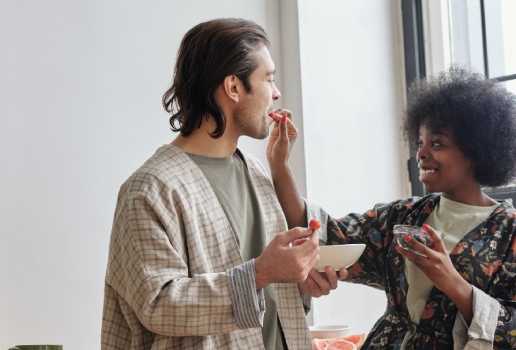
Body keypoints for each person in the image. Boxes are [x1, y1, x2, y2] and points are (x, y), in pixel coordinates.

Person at [101, 18, 344, 350]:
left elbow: (270, 297)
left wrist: (302, 280)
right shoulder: (150, 189)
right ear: (233, 87)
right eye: (268, 79)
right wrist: (260, 273)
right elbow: (158, 304)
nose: (276, 93)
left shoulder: (257, 173)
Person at [268, 66, 516, 349]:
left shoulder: (515, 232)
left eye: (436, 143)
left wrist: (454, 283)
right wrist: (280, 166)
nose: (421, 153)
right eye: (420, 142)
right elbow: (325, 235)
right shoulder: (404, 216)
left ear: (477, 150)